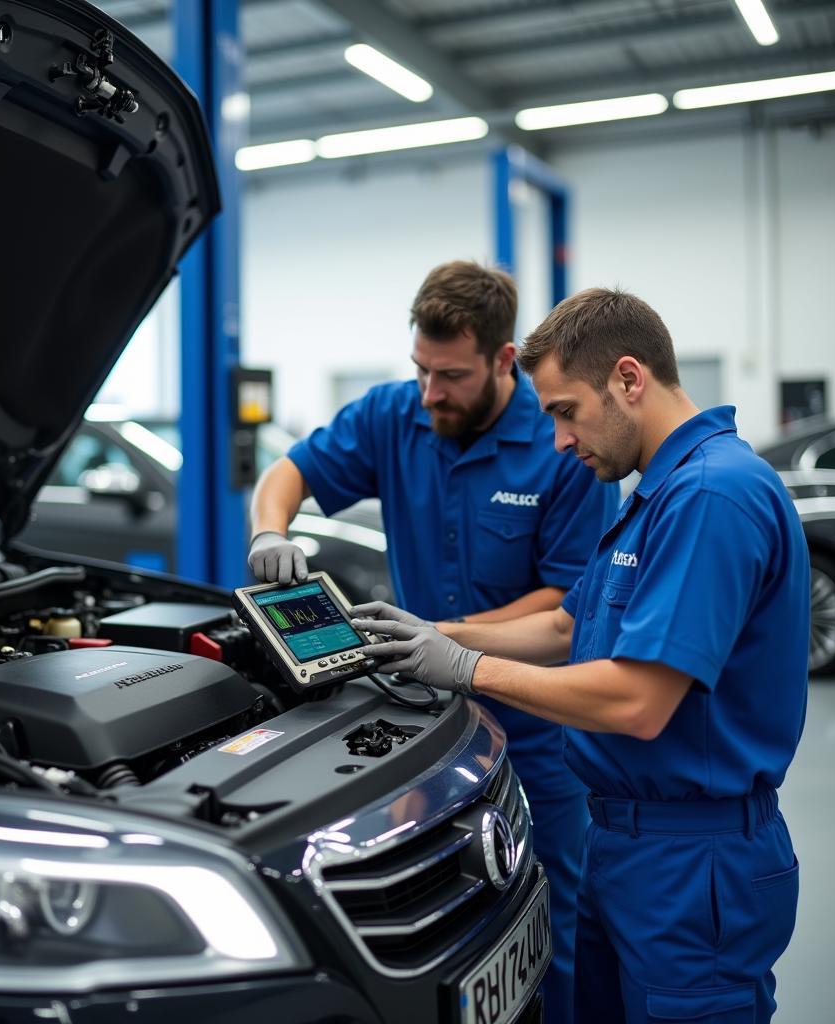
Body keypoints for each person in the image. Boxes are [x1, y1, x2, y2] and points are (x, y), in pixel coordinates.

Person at [351, 287, 809, 1024]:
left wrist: (465, 670)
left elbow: (636, 699)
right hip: (622, 845)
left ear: (629, 379)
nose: (559, 441)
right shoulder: (654, 494)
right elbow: (567, 628)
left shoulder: (710, 497)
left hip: (693, 863)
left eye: (566, 411)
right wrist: (435, 634)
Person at [248, 261, 620, 1023]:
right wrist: (268, 529)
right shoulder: (393, 417)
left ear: (503, 360)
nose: (430, 394)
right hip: (427, 723)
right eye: (420, 370)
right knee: (443, 926)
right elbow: (288, 471)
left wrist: (446, 639)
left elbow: (565, 604)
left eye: (450, 376)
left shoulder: (561, 444)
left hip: (537, 733)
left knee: (553, 918)